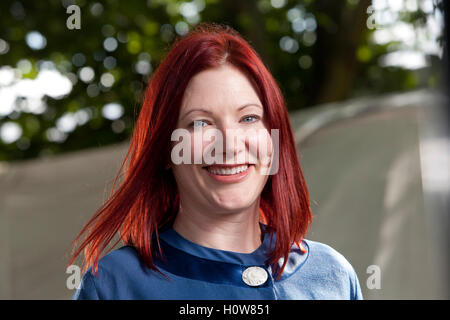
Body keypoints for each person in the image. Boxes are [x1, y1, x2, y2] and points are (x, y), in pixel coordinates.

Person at [69, 22, 363, 300]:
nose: (229, 144)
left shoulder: (333, 275)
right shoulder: (115, 284)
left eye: (248, 118)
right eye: (200, 123)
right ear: (165, 149)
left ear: (273, 141)